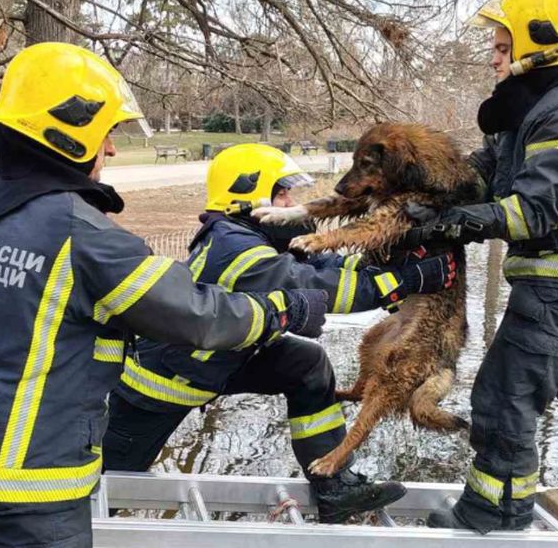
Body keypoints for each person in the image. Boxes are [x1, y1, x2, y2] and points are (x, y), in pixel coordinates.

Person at [0, 42, 330, 547]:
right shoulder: (84, 236)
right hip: (29, 486)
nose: (111, 149)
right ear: (69, 134)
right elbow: (199, 317)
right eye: (106, 133)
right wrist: (283, 310)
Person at [103, 143, 457, 523]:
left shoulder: (255, 236)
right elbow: (313, 285)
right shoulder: (234, 247)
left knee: (306, 364)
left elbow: (325, 264)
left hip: (218, 361)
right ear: (246, 192)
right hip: (162, 384)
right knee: (109, 483)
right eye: (282, 192)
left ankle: (334, 485)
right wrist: (404, 281)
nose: (290, 201)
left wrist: (389, 256)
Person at [400, 0, 558, 533]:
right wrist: (427, 188)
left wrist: (455, 221)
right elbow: (483, 172)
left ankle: (493, 511)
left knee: (505, 392)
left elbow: (534, 212)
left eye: (503, 48)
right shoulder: (529, 106)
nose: (493, 58)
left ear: (540, 44)